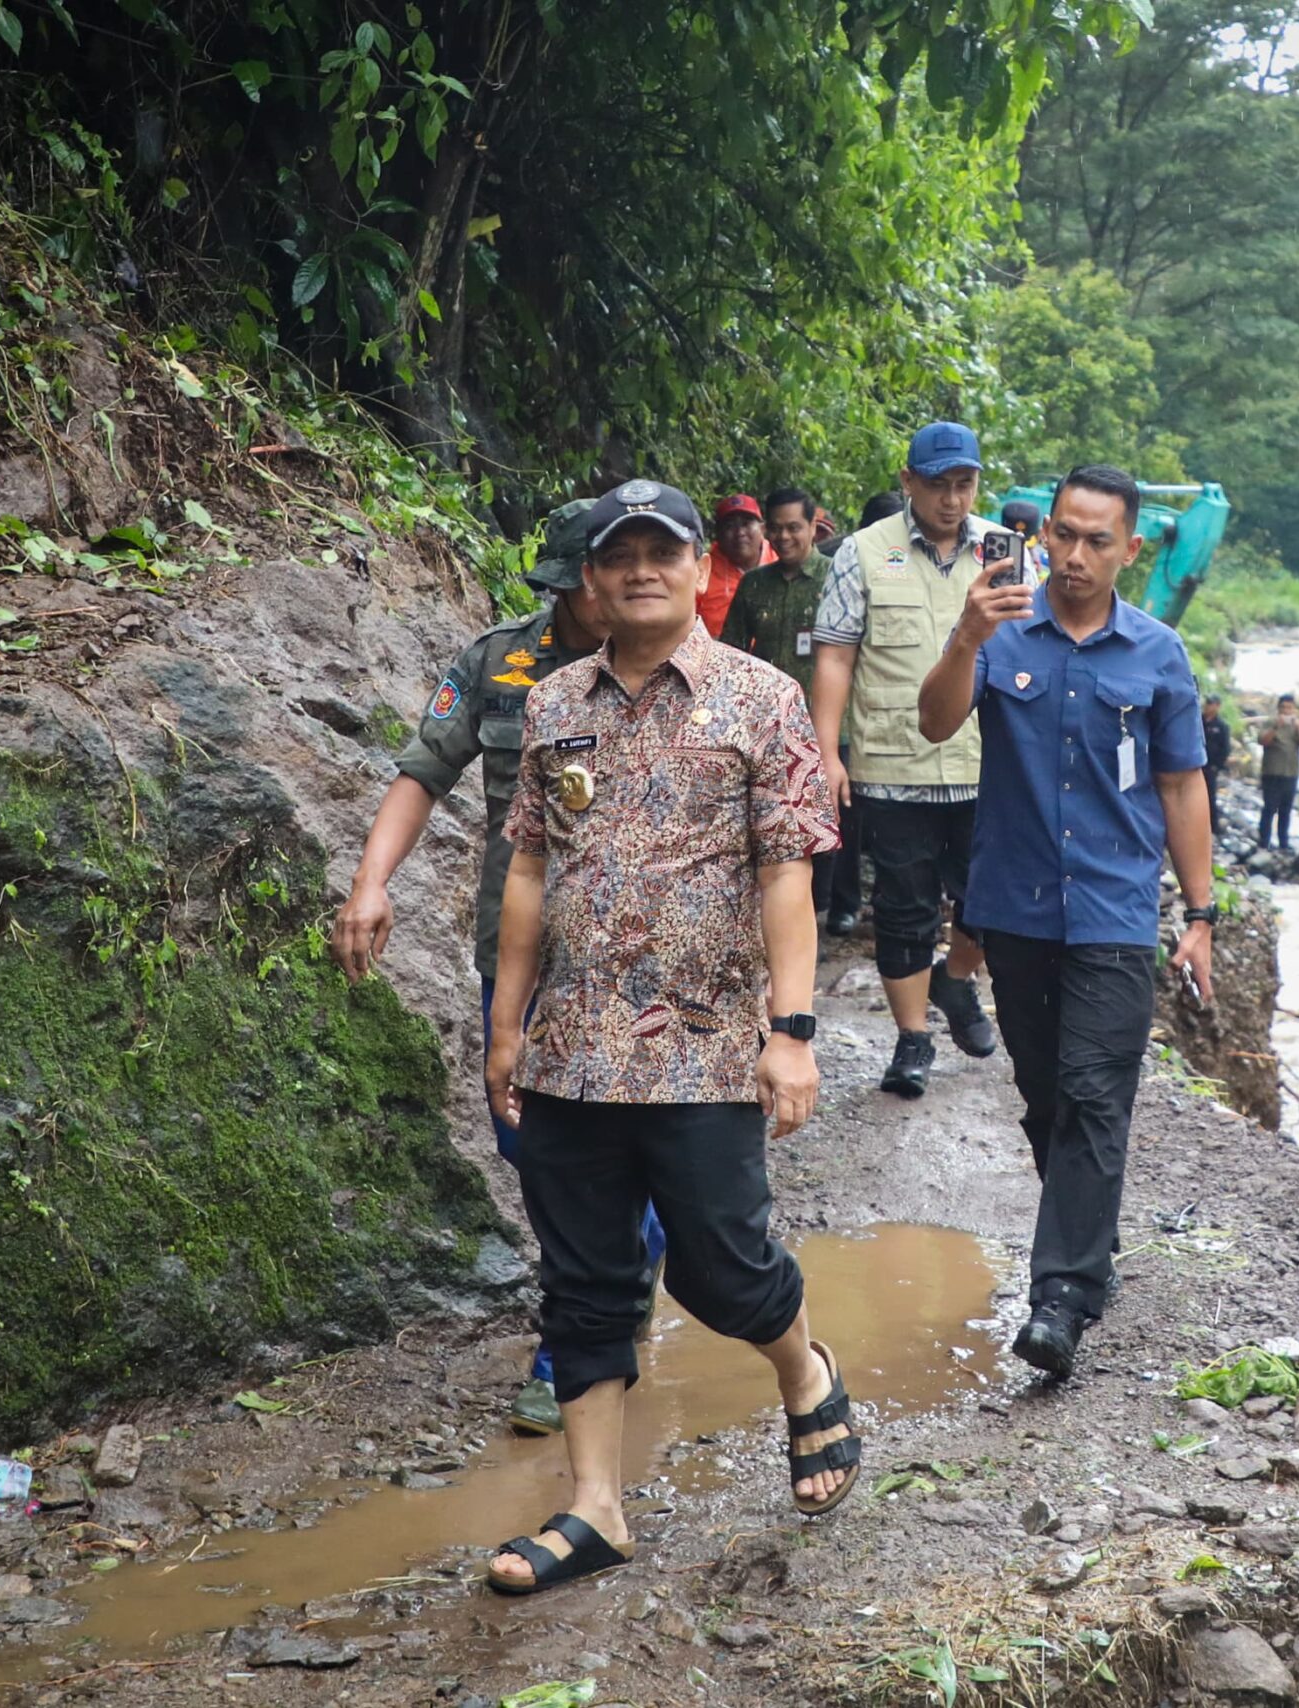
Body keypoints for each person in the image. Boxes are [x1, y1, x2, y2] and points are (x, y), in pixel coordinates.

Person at [481, 478, 859, 1596]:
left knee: (724, 1266)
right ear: (591, 581)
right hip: (572, 1050)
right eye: (619, 554)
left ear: (703, 570)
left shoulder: (763, 699)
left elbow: (788, 876)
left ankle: (805, 1372)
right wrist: (506, 1026)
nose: (642, 568)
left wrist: (789, 1033)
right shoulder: (552, 705)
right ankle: (595, 1505)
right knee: (585, 1280)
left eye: (665, 550)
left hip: (703, 1047)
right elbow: (530, 870)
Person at [333, 498, 667, 1440]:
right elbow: (422, 772)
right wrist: (370, 885)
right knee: (531, 1144)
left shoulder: (678, 661)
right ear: (570, 581)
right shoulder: (496, 664)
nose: (602, 601)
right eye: (583, 584)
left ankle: (572, 1343)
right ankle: (627, 1268)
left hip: (641, 956)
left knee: (634, 1143)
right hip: (516, 955)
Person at [917, 463, 1215, 1376]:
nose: (1076, 555)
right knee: (1047, 1095)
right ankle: (1090, 1244)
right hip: (1015, 908)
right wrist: (965, 637)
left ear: (1132, 549)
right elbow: (933, 724)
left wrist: (1200, 914)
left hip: (1117, 911)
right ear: (1041, 534)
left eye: (1097, 541)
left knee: (1094, 1095)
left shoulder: (1158, 653)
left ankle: (1062, 1297)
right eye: (1064, 535)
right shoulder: (1000, 633)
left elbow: (1180, 783)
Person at [809, 424, 1003, 1097]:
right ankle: (913, 1037)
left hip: (987, 765)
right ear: (907, 482)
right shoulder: (862, 554)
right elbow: (835, 654)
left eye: (964, 484)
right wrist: (827, 753)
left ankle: (955, 982)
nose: (952, 500)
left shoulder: (1003, 554)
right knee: (903, 910)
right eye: (938, 484)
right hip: (893, 766)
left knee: (990, 906)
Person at [721, 486, 857, 927]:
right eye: (775, 528)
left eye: (793, 528)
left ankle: (829, 910)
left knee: (831, 819)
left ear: (814, 528)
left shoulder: (837, 578)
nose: (783, 537)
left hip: (828, 723)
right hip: (768, 726)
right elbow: (732, 652)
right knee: (774, 821)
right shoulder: (753, 584)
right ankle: (778, 911)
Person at [697, 493, 773, 638]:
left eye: (746, 523)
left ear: (763, 529)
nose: (740, 533)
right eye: (730, 526)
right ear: (718, 534)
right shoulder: (703, 571)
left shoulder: (780, 560)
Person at [1257, 692, 1299, 851]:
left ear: (1294, 709)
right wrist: (1276, 727)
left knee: (1286, 810)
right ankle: (1263, 842)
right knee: (1269, 808)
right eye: (1284, 707)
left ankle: (1283, 842)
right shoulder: (1270, 722)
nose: (1286, 711)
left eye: (1290, 708)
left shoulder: (1298, 724)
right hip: (1272, 773)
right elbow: (1262, 740)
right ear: (1279, 709)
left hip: (1291, 773)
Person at [1200, 695, 1231, 825]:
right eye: (1208, 703)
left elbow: (1225, 748)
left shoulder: (1221, 726)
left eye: (1212, 704)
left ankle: (1212, 824)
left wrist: (1217, 765)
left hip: (1211, 766)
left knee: (1210, 795)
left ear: (1217, 706)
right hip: (1196, 765)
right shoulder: (1198, 721)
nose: (1208, 706)